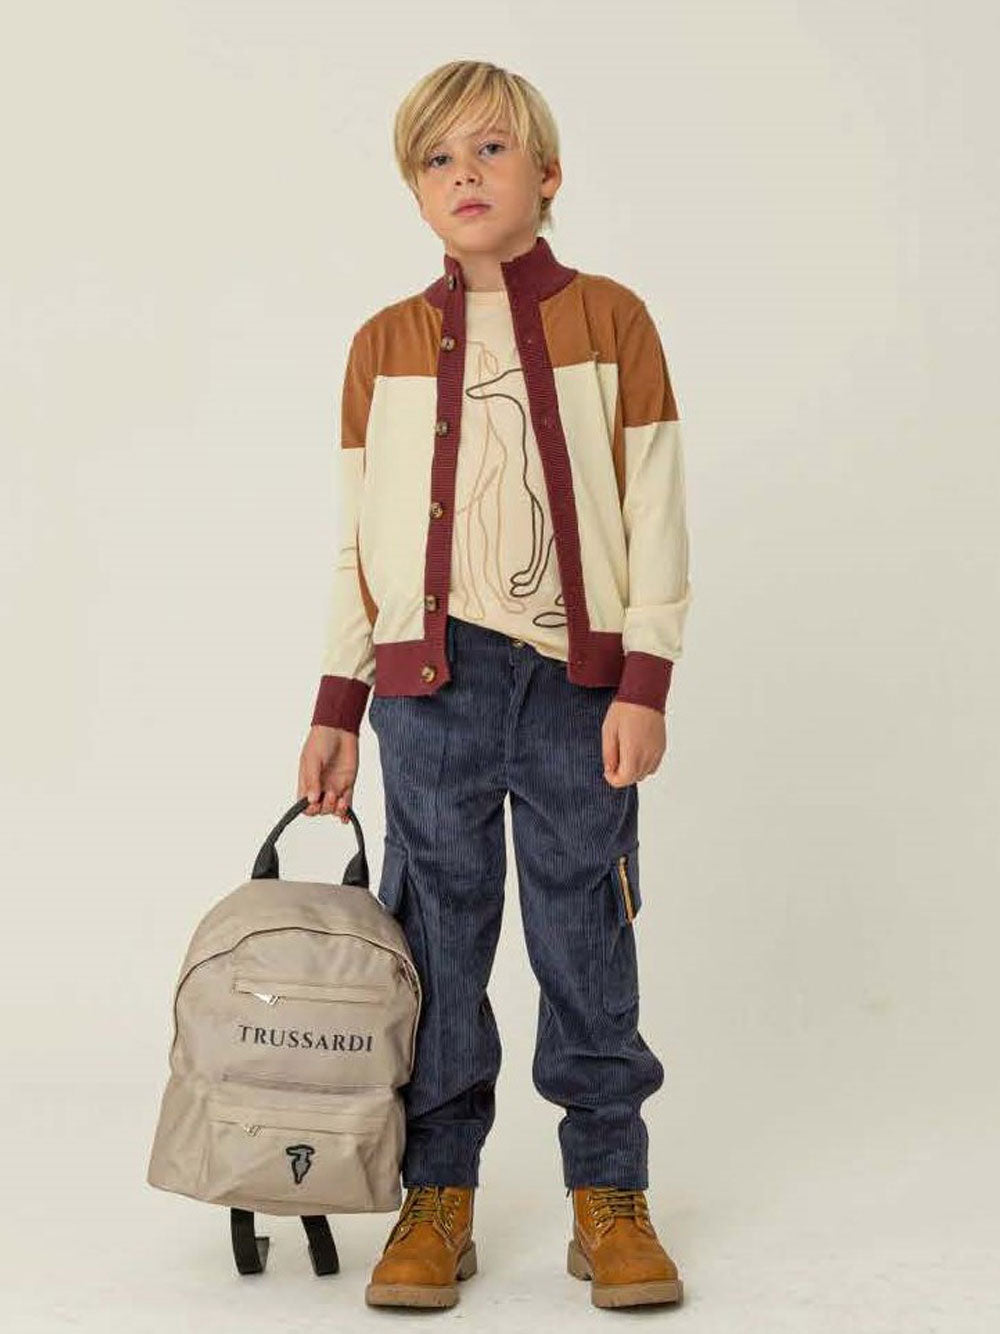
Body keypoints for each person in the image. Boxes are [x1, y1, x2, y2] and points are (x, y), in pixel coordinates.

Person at [297, 59, 693, 1311]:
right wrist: (338, 703)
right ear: (415, 190)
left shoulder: (610, 320)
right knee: (436, 938)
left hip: (576, 686)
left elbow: (654, 504)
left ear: (547, 174)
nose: (463, 175)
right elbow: (357, 544)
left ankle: (609, 1190)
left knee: (585, 933)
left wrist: (645, 677)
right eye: (437, 159)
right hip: (429, 689)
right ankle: (437, 1191)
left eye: (490, 150)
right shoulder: (382, 346)